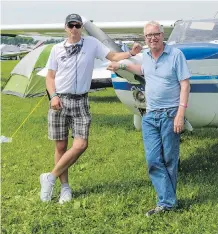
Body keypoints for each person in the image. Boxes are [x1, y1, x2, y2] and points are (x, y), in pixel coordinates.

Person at [40, 13, 142, 204]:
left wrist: (131, 54)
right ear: (65, 28)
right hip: (59, 100)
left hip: (81, 100)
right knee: (60, 146)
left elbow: (112, 55)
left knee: (81, 145)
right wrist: (53, 96)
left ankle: (50, 177)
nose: (74, 29)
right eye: (71, 25)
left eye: (77, 25)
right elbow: (50, 77)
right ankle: (65, 188)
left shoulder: (92, 43)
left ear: (81, 28)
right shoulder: (56, 49)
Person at [107, 21, 190, 216]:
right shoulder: (145, 55)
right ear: (145, 38)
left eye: (156, 34)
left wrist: (180, 114)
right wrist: (120, 64)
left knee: (170, 159)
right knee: (153, 159)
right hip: (150, 114)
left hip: (170, 113)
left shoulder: (176, 55)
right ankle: (168, 202)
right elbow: (141, 70)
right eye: (148, 36)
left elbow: (185, 85)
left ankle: (166, 203)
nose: (152, 38)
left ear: (163, 35)